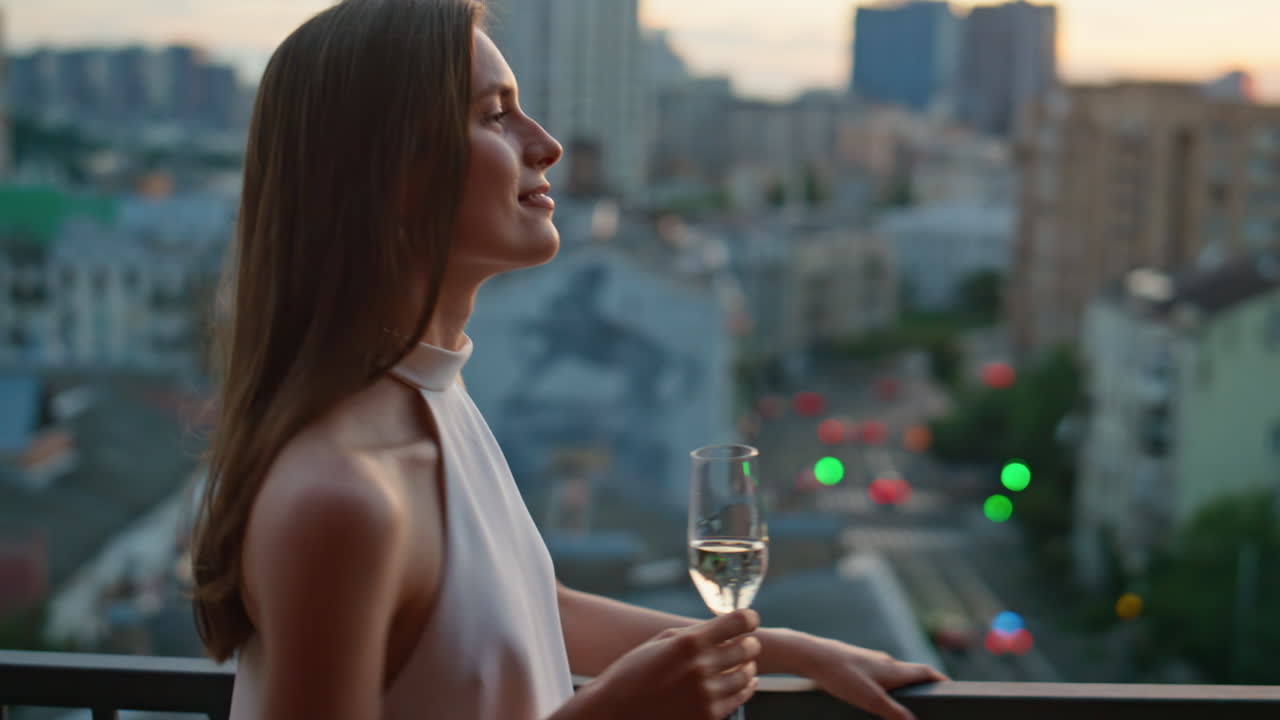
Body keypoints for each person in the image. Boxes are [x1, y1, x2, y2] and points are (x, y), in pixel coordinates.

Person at [190, 1, 947, 719]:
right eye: (494, 115)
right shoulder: (340, 495)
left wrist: (778, 650)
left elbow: (518, 605)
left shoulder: (431, 403)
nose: (546, 143)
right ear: (391, 175)